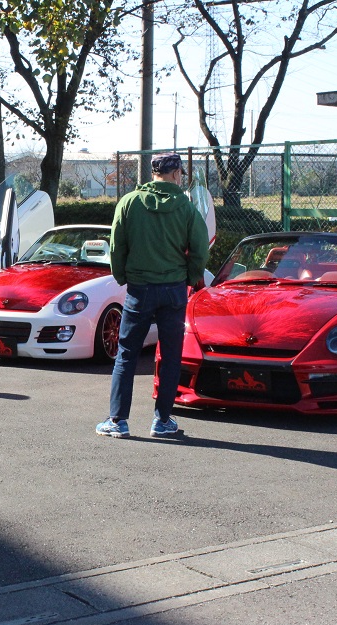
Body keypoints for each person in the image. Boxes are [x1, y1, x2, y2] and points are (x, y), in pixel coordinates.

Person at [97, 153, 209, 439]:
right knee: (171, 355)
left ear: (153, 173)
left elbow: (116, 246)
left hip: (139, 289)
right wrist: (190, 275)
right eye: (181, 173)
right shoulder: (186, 206)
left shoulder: (129, 203)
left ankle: (118, 420)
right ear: (175, 174)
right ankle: (162, 421)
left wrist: (123, 276)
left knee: (126, 354)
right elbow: (200, 250)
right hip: (173, 289)